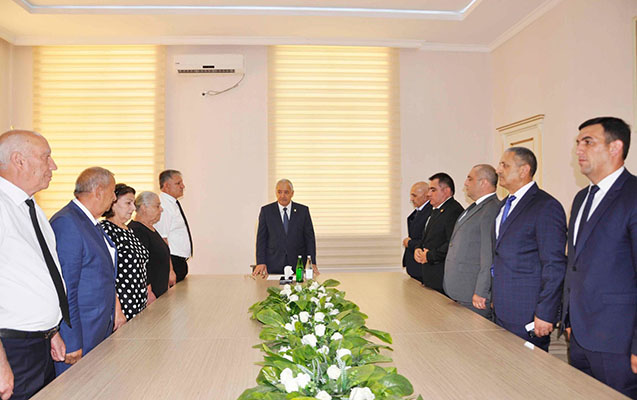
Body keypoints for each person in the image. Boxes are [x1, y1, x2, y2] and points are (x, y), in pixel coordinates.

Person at [561, 117, 637, 398]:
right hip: (580, 334)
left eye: (588, 142)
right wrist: (568, 318)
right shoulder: (582, 198)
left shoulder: (632, 195)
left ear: (615, 147)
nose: (578, 150)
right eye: (578, 143)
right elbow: (574, 263)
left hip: (619, 340)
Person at [0, 130, 67, 400]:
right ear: (19, 160)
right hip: (12, 348)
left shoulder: (30, 207)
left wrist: (51, 331)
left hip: (37, 343)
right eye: (46, 157)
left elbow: (36, 274)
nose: (54, 166)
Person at [50, 167, 126, 375]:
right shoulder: (68, 222)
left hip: (97, 328)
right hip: (80, 334)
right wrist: (71, 340)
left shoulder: (90, 222)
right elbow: (65, 287)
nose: (114, 198)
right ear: (98, 191)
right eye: (112, 192)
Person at [492, 147, 566, 351]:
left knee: (526, 368)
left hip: (528, 312)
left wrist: (546, 312)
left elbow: (554, 264)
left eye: (504, 165)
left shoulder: (546, 206)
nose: (498, 170)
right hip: (502, 308)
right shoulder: (504, 205)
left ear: (524, 170)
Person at [443, 165, 500, 318]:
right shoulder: (475, 207)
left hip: (473, 294)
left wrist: (482, 291)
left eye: (470, 178)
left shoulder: (491, 209)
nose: (465, 183)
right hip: (460, 290)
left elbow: (488, 256)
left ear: (484, 182)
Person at [101, 184, 151, 320]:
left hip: (138, 302)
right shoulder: (106, 230)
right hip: (122, 305)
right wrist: (117, 309)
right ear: (113, 203)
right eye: (128, 203)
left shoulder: (128, 230)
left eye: (133, 203)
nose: (133, 208)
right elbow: (106, 273)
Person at [254, 179, 318, 277]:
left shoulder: (303, 211)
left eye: (286, 192)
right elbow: (261, 239)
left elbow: (309, 239)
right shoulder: (266, 211)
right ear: (276, 192)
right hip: (273, 264)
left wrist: (311, 262)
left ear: (292, 193)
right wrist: (261, 262)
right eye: (279, 192)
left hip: (297, 265)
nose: (282, 196)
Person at [414, 173, 464, 294]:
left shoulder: (454, 211)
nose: (428, 194)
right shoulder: (436, 210)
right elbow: (427, 237)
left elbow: (452, 243)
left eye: (433, 190)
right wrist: (418, 248)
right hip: (430, 276)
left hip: (442, 278)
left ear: (446, 191)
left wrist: (429, 256)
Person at [129, 191, 171, 299]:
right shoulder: (137, 231)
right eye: (157, 206)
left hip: (160, 291)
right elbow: (140, 264)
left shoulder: (150, 228)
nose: (161, 209)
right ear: (144, 208)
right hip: (150, 295)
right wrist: (148, 292)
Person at [155, 169, 190, 284]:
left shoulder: (172, 203)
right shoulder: (164, 205)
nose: (182, 186)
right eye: (178, 183)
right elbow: (162, 239)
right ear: (166, 186)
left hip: (178, 261)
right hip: (172, 261)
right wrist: (170, 270)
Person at [402, 181, 432, 282]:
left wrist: (409, 243)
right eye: (411, 195)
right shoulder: (419, 211)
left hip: (421, 266)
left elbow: (427, 240)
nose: (411, 199)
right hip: (414, 265)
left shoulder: (430, 212)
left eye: (414, 196)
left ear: (426, 196)